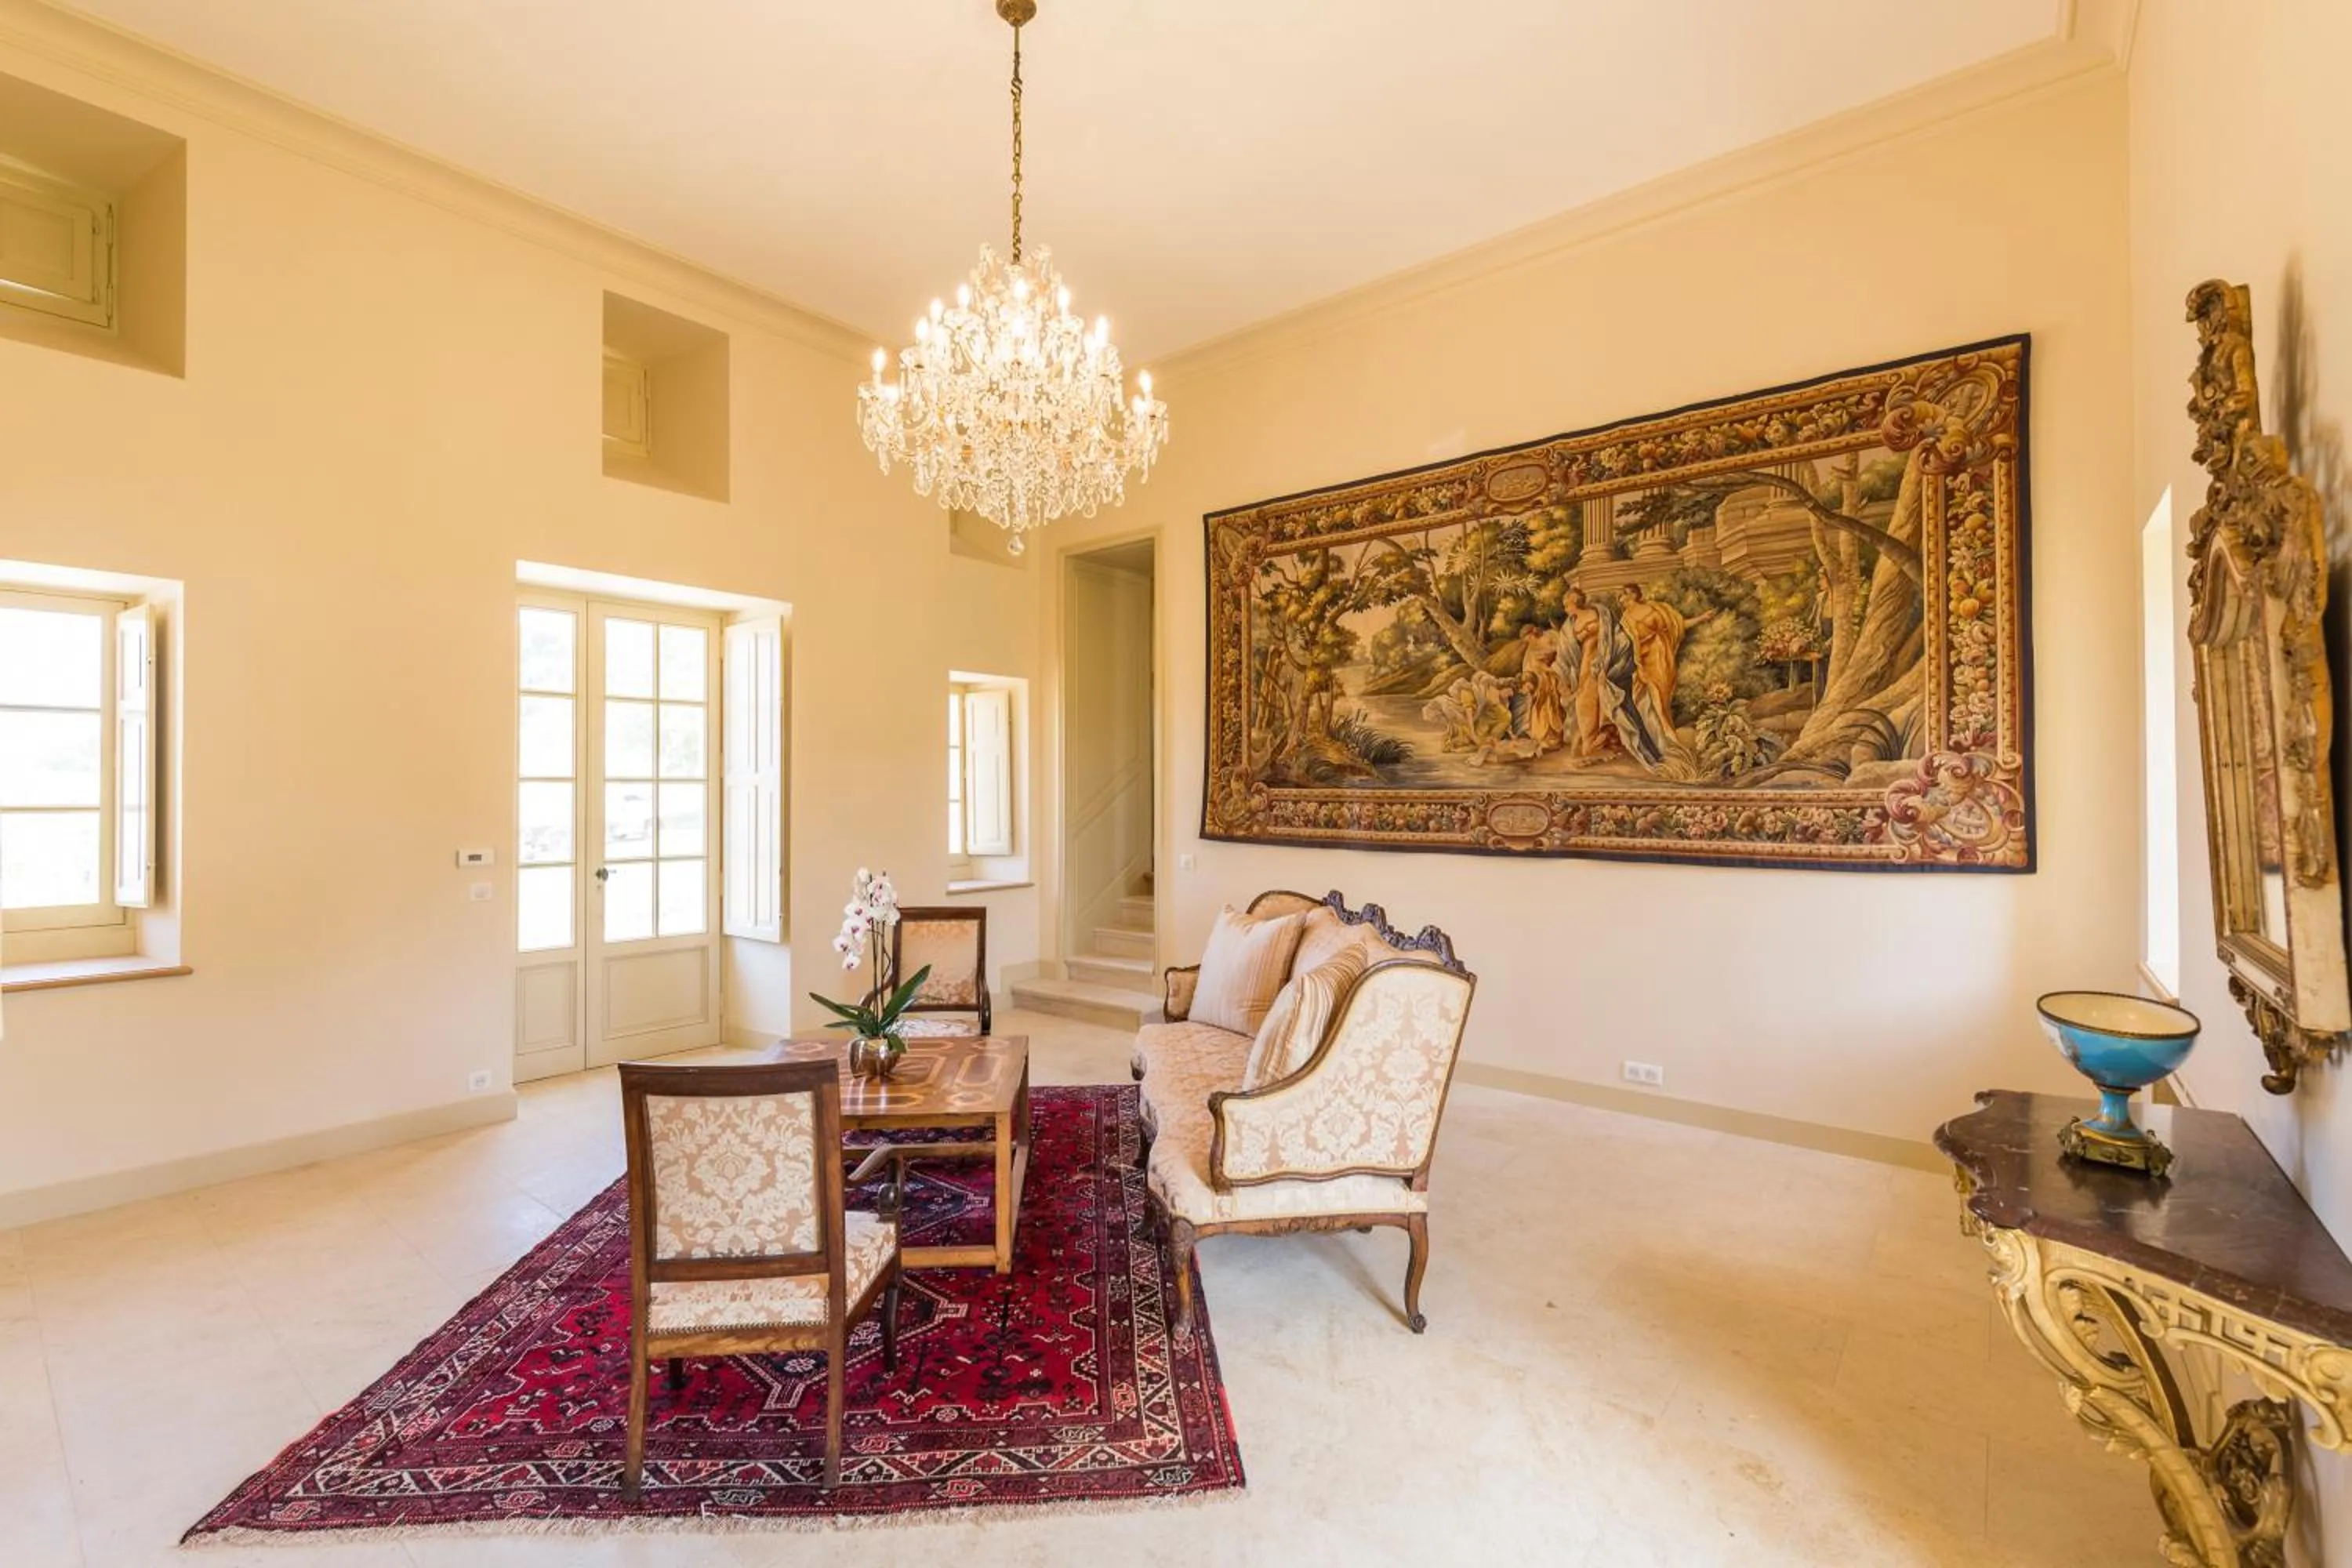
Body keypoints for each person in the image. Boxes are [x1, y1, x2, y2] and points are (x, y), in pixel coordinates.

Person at [1558, 584, 1660, 765]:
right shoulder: (1569, 626)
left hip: (1605, 663)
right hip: (1585, 667)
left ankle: (1604, 737)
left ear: (1575, 602)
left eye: (1567, 605)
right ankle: (1590, 742)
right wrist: (1564, 678)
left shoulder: (1601, 614)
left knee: (1606, 700)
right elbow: (1565, 652)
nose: (1565, 609)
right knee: (1585, 702)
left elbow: (1618, 636)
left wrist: (1612, 664)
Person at [1516, 622, 1568, 753]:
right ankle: (1541, 739)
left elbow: (1562, 650)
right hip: (1539, 685)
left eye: (1529, 638)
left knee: (1553, 708)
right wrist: (1527, 681)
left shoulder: (1549, 636)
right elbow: (1527, 668)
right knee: (1539, 709)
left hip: (1552, 680)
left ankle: (1554, 740)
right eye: (1526, 641)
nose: (1529, 642)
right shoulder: (1530, 650)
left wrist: (1548, 657)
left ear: (1532, 633)